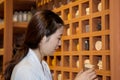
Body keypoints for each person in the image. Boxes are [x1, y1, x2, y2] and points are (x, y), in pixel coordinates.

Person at [3, 10, 97, 80]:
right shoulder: (25, 70)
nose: (60, 43)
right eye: (58, 38)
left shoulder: (43, 65)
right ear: (43, 37)